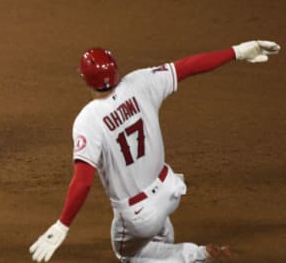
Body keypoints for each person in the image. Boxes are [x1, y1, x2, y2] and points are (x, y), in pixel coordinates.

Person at [29, 40, 280, 262]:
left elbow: (83, 182)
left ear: (84, 79)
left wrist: (63, 225)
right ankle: (164, 239)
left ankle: (198, 255)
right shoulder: (141, 81)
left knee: (129, 256)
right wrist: (236, 52)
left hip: (139, 217)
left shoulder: (87, 120)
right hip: (170, 189)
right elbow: (190, 66)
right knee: (155, 237)